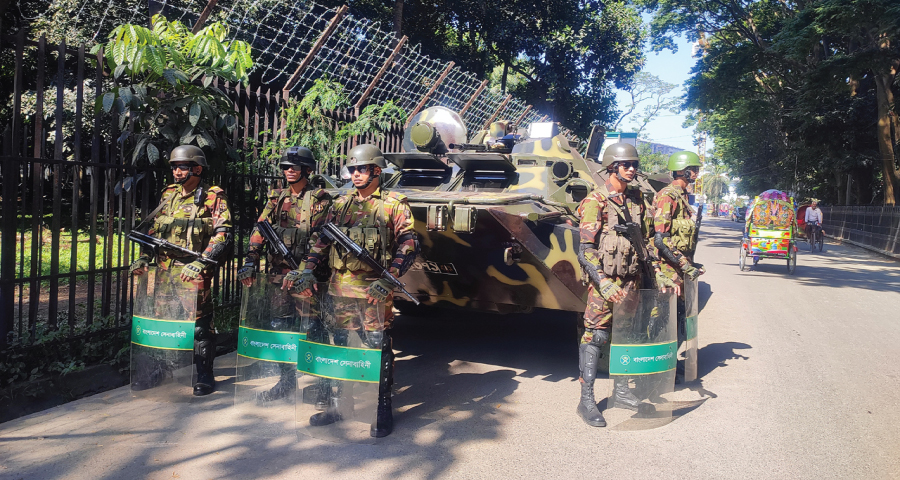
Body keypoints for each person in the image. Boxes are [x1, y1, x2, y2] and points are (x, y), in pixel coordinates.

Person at [296, 144, 419, 438]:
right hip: (341, 288)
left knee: (377, 348)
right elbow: (321, 241)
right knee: (341, 347)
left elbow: (408, 244)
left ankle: (381, 407)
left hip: (375, 291)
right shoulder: (340, 204)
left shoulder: (393, 204)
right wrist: (307, 269)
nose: (356, 174)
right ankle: (340, 405)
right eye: (352, 169)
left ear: (377, 171)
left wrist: (390, 279)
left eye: (362, 169)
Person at [575, 143, 675, 427]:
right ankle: (586, 401)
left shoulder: (638, 200)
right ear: (611, 167)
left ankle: (620, 392)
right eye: (626, 164)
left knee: (625, 336)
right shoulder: (596, 201)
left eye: (634, 164)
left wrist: (660, 273)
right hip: (605, 283)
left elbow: (647, 244)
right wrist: (603, 282)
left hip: (632, 281)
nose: (632, 169)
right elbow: (585, 249)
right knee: (596, 337)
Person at [130, 145, 232, 396]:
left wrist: (202, 262)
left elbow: (223, 234)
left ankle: (205, 375)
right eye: (174, 166)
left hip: (193, 272)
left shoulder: (213, 195)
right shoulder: (169, 194)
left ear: (197, 168)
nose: (176, 171)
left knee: (199, 326)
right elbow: (153, 232)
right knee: (163, 322)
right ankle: (160, 370)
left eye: (181, 167)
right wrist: (143, 258)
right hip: (164, 271)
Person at [236, 146, 332, 403]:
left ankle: (323, 385)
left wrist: (305, 270)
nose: (289, 171)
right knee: (280, 326)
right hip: (278, 275)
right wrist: (250, 260)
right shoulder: (276, 198)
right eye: (285, 167)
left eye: (294, 167)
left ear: (307, 170)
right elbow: (261, 229)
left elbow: (322, 238)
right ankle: (287, 380)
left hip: (306, 276)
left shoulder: (321, 199)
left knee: (312, 328)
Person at [653, 151, 706, 383]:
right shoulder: (668, 196)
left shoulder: (683, 196)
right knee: (665, 320)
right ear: (684, 170)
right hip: (668, 268)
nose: (696, 173)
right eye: (694, 169)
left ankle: (670, 363)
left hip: (678, 267)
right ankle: (659, 368)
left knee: (678, 319)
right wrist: (685, 265)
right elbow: (660, 238)